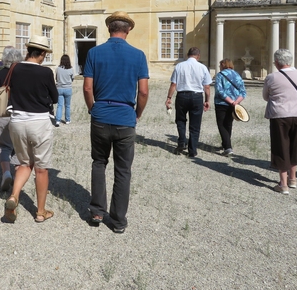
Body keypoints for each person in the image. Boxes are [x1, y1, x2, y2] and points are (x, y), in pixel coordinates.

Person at [83, 12, 149, 234]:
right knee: (123, 170)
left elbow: (87, 88)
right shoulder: (138, 55)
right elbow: (143, 91)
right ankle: (118, 220)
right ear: (128, 30)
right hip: (124, 117)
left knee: (99, 163)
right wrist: (137, 113)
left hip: (101, 114)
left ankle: (97, 211)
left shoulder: (94, 53)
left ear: (109, 29)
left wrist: (93, 108)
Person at [3, 35, 58, 223]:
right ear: (41, 53)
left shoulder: (14, 68)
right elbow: (55, 97)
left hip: (18, 121)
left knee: (24, 163)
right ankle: (41, 212)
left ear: (28, 51)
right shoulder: (45, 73)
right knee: (41, 169)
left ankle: (13, 196)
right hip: (39, 122)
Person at [263, 49, 297, 194]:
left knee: (281, 147)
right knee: (293, 146)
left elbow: (266, 96)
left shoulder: (272, 77)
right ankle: (293, 178)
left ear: (276, 62)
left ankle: (283, 184)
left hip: (280, 115)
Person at [165, 47, 212, 158]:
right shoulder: (203, 67)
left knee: (180, 120)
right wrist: (207, 100)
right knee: (195, 124)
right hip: (197, 96)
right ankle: (192, 150)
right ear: (198, 56)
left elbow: (173, 84)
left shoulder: (179, 66)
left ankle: (182, 141)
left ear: (187, 54)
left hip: (182, 96)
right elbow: (207, 86)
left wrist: (169, 98)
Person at [0, 47, 24, 191]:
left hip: (2, 112)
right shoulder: (23, 73)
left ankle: (6, 172)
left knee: (4, 145)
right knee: (19, 147)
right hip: (19, 112)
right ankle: (17, 178)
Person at [214, 58, 247, 156]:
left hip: (222, 103)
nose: (219, 67)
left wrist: (231, 101)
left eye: (220, 65)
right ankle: (225, 143)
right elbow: (243, 92)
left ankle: (228, 147)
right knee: (228, 124)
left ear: (223, 65)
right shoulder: (237, 75)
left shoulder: (220, 75)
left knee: (221, 124)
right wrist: (236, 102)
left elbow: (220, 91)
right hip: (235, 104)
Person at [55, 54, 74, 127]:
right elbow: (72, 79)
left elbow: (56, 78)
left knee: (59, 105)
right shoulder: (71, 69)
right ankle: (67, 120)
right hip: (68, 88)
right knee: (67, 105)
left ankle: (57, 120)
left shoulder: (58, 69)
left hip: (59, 88)